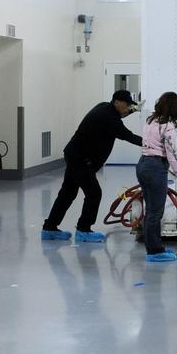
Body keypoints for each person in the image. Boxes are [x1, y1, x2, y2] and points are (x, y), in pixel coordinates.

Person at [42, 89, 142, 242]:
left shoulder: (104, 107)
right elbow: (128, 136)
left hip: (74, 154)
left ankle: (49, 228)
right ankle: (84, 230)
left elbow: (120, 115)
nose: (128, 107)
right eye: (127, 105)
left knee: (68, 192)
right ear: (117, 102)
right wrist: (151, 143)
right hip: (81, 159)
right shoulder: (109, 119)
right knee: (94, 193)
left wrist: (134, 110)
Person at [137, 92, 177, 263]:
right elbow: (171, 154)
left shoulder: (150, 121)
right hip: (156, 168)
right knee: (155, 212)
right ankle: (155, 251)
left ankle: (154, 246)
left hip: (142, 164)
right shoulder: (168, 126)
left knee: (150, 210)